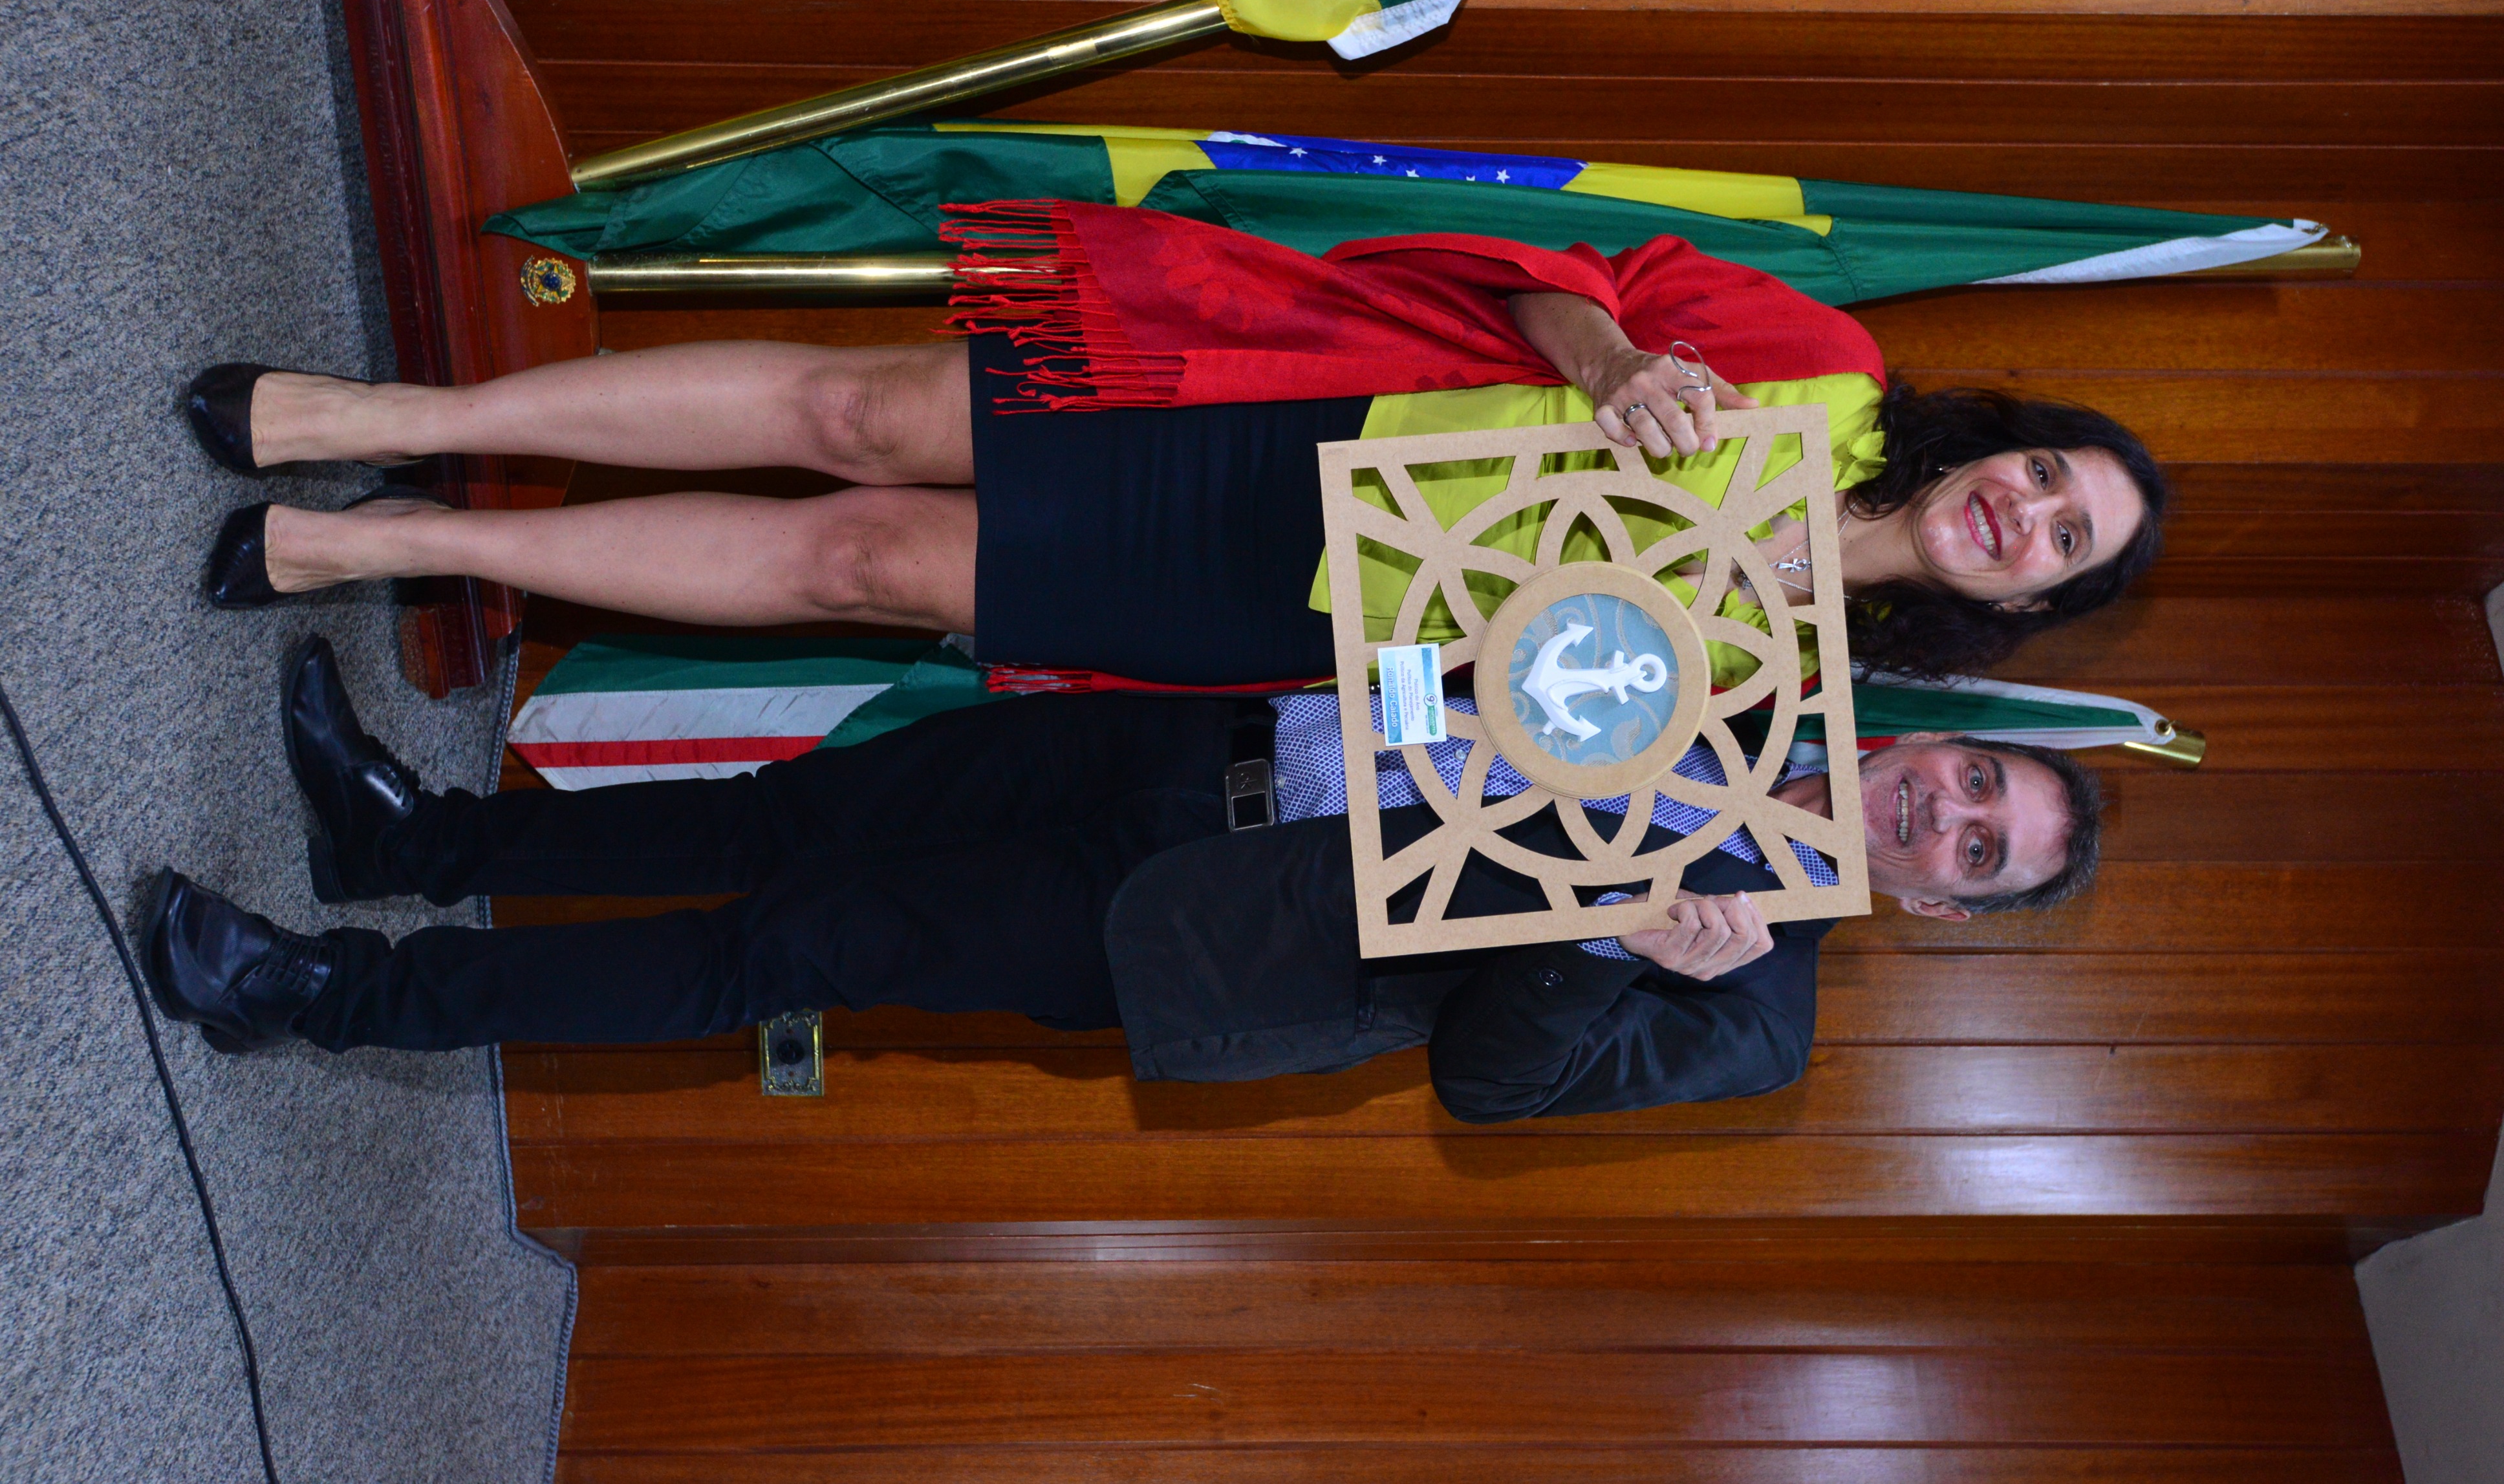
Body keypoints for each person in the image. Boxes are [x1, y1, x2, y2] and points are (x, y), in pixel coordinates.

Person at [187, 204, 2166, 688]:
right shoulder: (1826, 362)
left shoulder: (1791, 684)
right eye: (2050, 476)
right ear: (2010, 442)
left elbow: (1515, 760)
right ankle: (387, 416)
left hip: (1303, 606)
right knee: (853, 414)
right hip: (1288, 405)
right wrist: (1610, 359)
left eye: (2061, 542)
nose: (2026, 514)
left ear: (2028, 603)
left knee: (855, 563)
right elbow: (1561, 272)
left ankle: (391, 543)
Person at [141, 636, 2102, 1121]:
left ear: (1941, 906)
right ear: (1936, 741)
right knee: (777, 819)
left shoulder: (1752, 1011)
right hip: (1192, 744)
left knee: (778, 948)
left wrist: (1607, 934)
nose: (1945, 814)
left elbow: (1493, 1084)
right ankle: (416, 843)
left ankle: (324, 995)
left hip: (1197, 926)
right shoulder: (1739, 659)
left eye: (1977, 852)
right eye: (1975, 782)